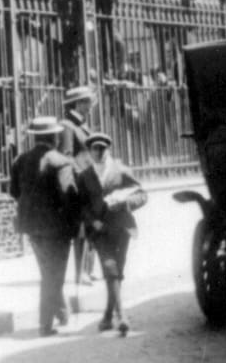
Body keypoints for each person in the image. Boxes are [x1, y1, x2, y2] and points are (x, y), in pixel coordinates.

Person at [10, 116, 77, 337]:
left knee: (48, 271)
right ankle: (45, 324)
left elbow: (14, 192)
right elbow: (68, 196)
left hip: (31, 226)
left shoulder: (20, 160)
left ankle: (62, 312)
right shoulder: (61, 161)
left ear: (35, 137)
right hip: (57, 228)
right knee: (54, 275)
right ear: (55, 137)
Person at [77, 132, 144, 336]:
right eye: (95, 149)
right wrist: (92, 221)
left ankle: (107, 315)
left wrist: (125, 202)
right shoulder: (85, 176)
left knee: (117, 270)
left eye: (102, 148)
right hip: (100, 231)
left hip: (121, 227)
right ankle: (121, 316)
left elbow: (142, 194)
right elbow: (81, 205)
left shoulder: (121, 171)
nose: (99, 152)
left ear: (108, 149)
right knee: (110, 267)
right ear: (89, 152)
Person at [58, 85, 96, 287]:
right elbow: (67, 156)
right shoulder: (67, 125)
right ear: (77, 103)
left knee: (91, 226)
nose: (90, 106)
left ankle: (88, 270)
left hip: (91, 183)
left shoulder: (82, 125)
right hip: (79, 184)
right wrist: (81, 175)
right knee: (81, 229)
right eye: (87, 102)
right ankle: (80, 273)